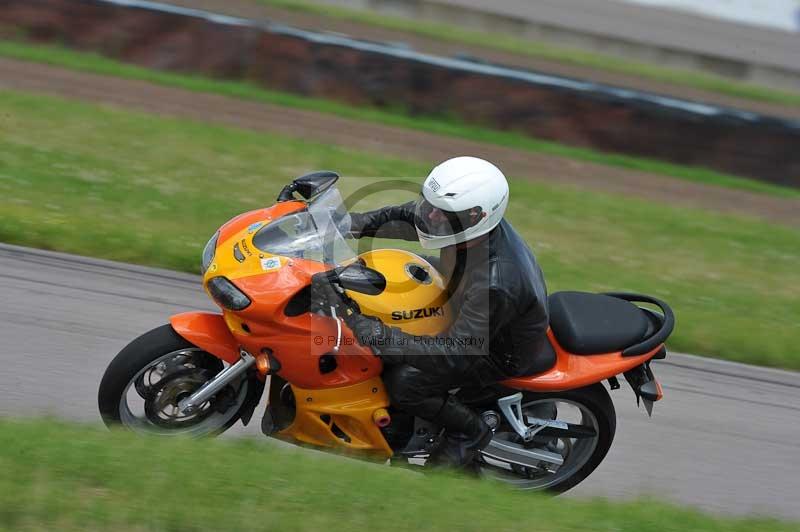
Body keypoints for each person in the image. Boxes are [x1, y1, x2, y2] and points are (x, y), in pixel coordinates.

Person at [326, 156, 551, 468]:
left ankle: (470, 432)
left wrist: (380, 335)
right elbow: (409, 217)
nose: (429, 215)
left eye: (440, 212)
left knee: (406, 382)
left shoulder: (496, 282)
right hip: (464, 301)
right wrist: (348, 225)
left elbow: (456, 353)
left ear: (475, 216)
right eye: (428, 204)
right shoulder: (464, 227)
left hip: (495, 350)